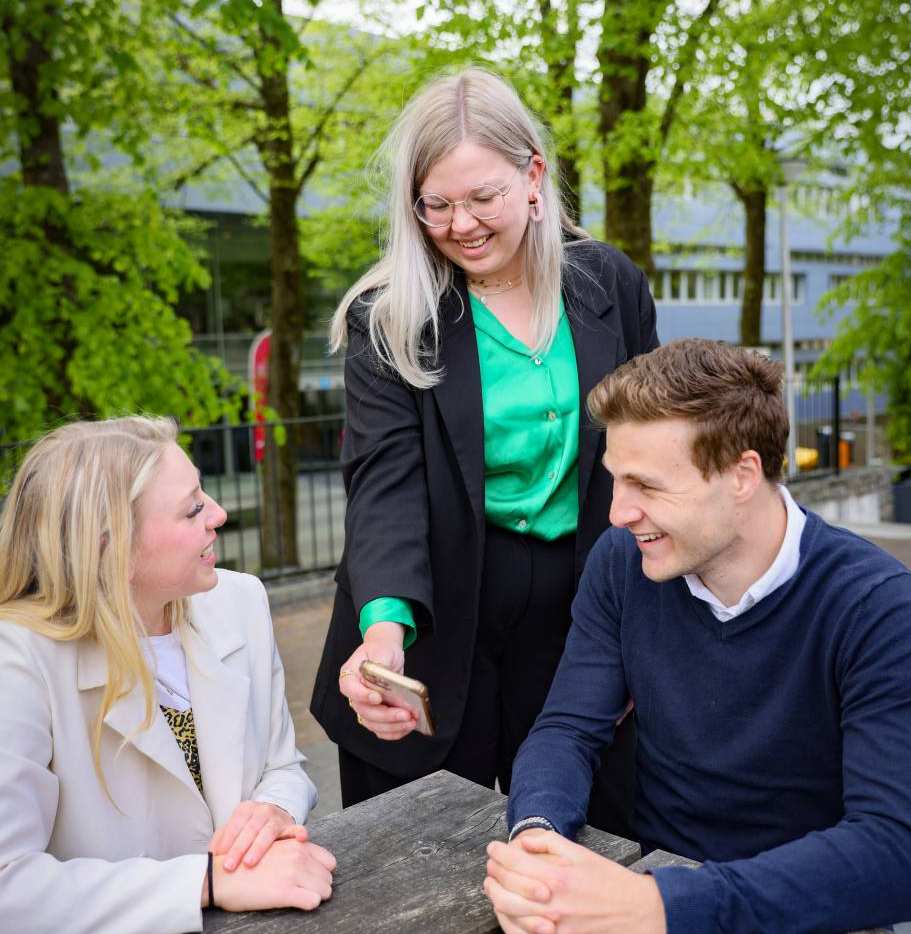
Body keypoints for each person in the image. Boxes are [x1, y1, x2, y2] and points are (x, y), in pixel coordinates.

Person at [485, 339, 911, 934]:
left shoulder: (875, 608)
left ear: (742, 474)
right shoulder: (623, 564)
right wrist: (537, 837)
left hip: (806, 912)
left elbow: (900, 855)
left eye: (647, 486)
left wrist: (663, 905)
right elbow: (567, 728)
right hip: (657, 886)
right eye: (616, 480)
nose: (619, 512)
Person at [309, 67, 658, 807]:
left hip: (579, 608)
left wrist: (647, 629)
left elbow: (650, 458)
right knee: (423, 851)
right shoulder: (392, 315)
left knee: (587, 834)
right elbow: (385, 486)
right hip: (430, 613)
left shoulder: (610, 284)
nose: (460, 225)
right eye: (435, 205)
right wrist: (383, 628)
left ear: (533, 175)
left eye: (482, 198)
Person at [0, 417, 336, 934]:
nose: (219, 515)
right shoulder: (19, 660)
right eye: (193, 508)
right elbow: (9, 885)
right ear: (110, 547)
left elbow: (283, 765)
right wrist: (205, 882)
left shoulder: (238, 601)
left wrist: (274, 813)